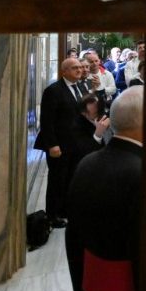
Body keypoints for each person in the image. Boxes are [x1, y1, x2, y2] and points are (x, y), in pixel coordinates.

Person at [65, 86, 144, 291]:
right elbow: (143, 250)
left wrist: (80, 287)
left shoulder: (88, 162)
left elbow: (73, 234)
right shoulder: (142, 172)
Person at [35, 57, 90, 228]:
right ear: (64, 71)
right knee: (57, 180)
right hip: (59, 144)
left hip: (76, 143)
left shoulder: (80, 87)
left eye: (80, 67)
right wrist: (52, 144)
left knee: (71, 178)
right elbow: (47, 121)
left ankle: (65, 210)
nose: (79, 70)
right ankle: (52, 215)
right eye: (75, 68)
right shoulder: (53, 90)